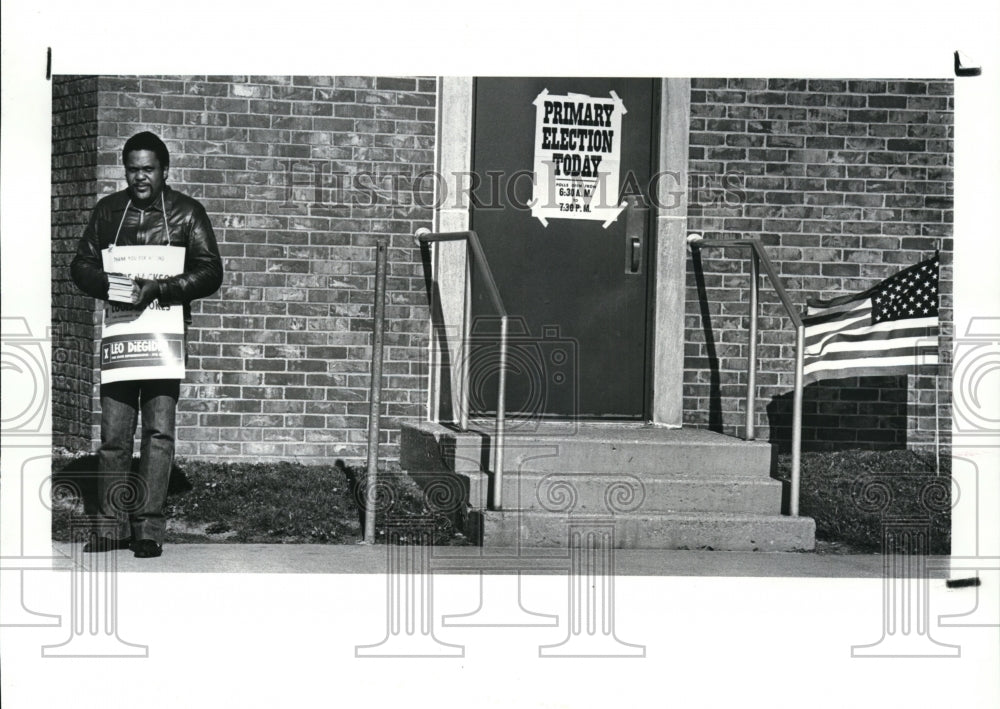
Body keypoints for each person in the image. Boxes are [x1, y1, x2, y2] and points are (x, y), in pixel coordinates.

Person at [71, 131, 223, 558]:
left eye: (148, 169)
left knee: (159, 433)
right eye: (133, 169)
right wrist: (111, 285)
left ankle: (148, 530)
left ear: (164, 171)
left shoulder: (187, 213)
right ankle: (110, 526)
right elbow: (80, 264)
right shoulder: (108, 211)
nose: (140, 177)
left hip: (162, 336)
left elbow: (210, 270)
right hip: (121, 337)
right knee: (114, 434)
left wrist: (160, 288)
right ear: (126, 171)